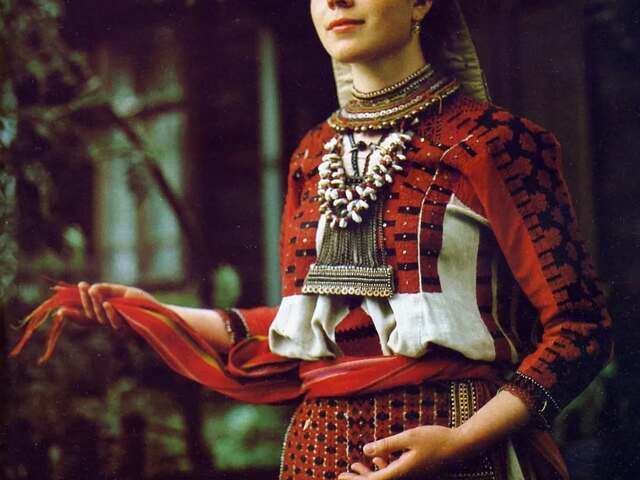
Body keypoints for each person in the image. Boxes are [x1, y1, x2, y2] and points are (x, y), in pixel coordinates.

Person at [18, 1, 613, 479]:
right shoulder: (312, 155)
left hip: (456, 450)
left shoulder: (494, 143)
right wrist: (151, 312)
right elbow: (300, 333)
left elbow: (579, 330)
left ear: (421, 4)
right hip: (316, 455)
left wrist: (459, 443)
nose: (337, 2)